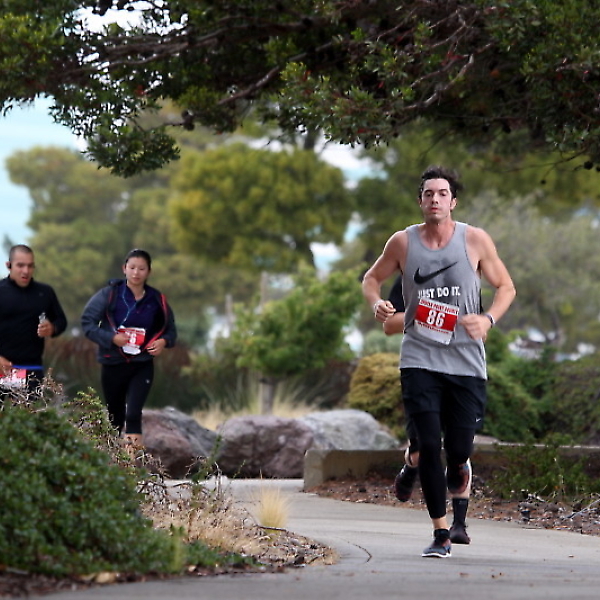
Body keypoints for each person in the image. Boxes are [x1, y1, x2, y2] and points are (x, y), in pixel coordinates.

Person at [362, 165, 516, 558]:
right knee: (431, 445)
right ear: (420, 201)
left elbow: (505, 286)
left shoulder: (474, 239)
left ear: (453, 202)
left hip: (466, 360)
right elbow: (370, 279)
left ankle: (413, 464)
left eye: (442, 193)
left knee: (459, 452)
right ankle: (441, 533)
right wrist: (377, 304)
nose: (435, 199)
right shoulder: (402, 242)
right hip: (420, 358)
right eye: (428, 193)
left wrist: (488, 319)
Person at [384, 275, 473, 546]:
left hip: (461, 370)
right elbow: (390, 324)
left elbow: (479, 323)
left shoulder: (466, 279)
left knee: (460, 449)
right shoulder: (409, 277)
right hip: (421, 370)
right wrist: (434, 316)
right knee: (422, 449)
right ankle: (411, 467)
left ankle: (458, 524)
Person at [81, 249, 177, 451]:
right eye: (132, 268)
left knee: (133, 414)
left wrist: (163, 342)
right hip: (113, 362)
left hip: (142, 364)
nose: (136, 273)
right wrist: (111, 338)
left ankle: (132, 466)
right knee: (115, 417)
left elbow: (171, 331)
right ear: (124, 268)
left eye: (141, 269)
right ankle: (113, 462)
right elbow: (87, 323)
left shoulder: (156, 299)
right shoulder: (109, 294)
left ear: (149, 272)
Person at [0, 244, 67, 393]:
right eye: (20, 265)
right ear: (9, 265)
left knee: (32, 408)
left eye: (30, 266)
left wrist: (52, 328)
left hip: (32, 369)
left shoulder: (45, 292)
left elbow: (61, 321)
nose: (26, 271)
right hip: (2, 368)